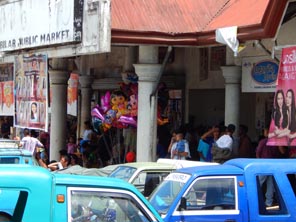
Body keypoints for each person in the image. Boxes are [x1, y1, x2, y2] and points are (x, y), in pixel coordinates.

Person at [256, 128, 282, 207]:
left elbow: (258, 153)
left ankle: (254, 200)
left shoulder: (263, 141)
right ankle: (269, 202)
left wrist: (258, 163)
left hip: (264, 165)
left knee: (258, 183)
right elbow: (278, 154)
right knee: (270, 184)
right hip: (273, 165)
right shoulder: (275, 142)